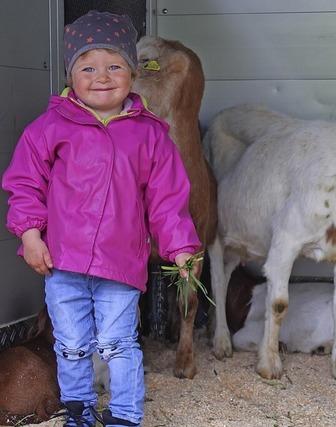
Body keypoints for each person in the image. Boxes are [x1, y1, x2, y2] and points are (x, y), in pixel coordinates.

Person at [1, 10, 201, 427]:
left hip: (121, 264)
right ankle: (79, 410)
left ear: (132, 72)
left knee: (118, 344)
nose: (102, 77)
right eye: (87, 67)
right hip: (62, 263)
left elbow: (168, 199)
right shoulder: (49, 128)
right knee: (72, 344)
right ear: (71, 74)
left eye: (115, 66)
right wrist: (31, 234)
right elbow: (25, 185)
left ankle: (125, 414)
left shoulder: (150, 135)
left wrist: (181, 246)